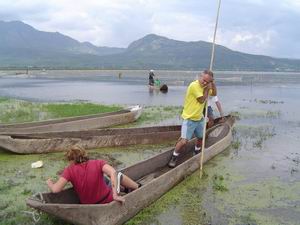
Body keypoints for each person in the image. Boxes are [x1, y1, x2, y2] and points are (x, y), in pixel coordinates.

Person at [46, 145, 141, 204]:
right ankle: (137, 187)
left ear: (71, 160)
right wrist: (115, 195)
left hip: (88, 204)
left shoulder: (69, 170)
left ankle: (124, 189)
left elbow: (55, 189)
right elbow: (113, 172)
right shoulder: (97, 163)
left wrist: (50, 183)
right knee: (118, 175)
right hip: (107, 199)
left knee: (104, 179)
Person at [168, 70, 216, 168]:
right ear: (200, 76)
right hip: (189, 118)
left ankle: (197, 150)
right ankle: (174, 156)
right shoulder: (194, 86)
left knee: (201, 137)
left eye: (207, 81)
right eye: (204, 80)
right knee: (184, 141)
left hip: (199, 118)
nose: (204, 83)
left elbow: (214, 94)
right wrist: (207, 89)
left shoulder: (206, 86)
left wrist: (213, 85)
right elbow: (201, 100)